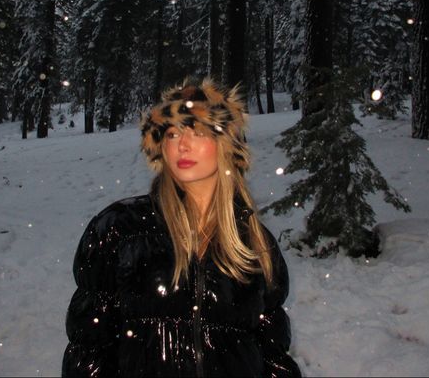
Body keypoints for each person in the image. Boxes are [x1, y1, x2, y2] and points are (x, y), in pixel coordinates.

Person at [62, 77, 301, 377]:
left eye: (198, 132)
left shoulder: (254, 243)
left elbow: (272, 355)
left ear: (226, 147)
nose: (182, 145)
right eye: (172, 134)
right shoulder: (120, 230)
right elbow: (88, 351)